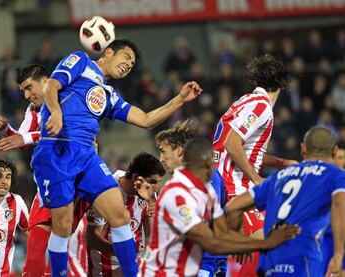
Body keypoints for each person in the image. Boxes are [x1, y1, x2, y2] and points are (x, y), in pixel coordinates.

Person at [31, 38, 202, 276]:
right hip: (57, 149)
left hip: (87, 156)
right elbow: (50, 85)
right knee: (62, 226)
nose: (128, 66)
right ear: (109, 52)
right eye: (126, 59)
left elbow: (145, 120)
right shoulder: (80, 61)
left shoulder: (110, 95)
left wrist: (180, 99)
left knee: (120, 216)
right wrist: (57, 113)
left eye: (132, 65)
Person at [139, 138, 300, 276]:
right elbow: (211, 241)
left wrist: (243, 241)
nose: (214, 169)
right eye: (209, 164)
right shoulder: (176, 195)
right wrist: (264, 243)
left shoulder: (209, 189)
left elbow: (222, 230)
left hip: (209, 265)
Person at [212, 54, 297, 275]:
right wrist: (257, 179)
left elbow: (247, 150)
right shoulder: (261, 107)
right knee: (270, 244)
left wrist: (281, 163)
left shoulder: (245, 101)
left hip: (225, 184)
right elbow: (232, 143)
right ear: (282, 84)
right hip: (234, 188)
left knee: (254, 250)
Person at [226, 126, 345, 276]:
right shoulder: (336, 175)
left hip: (270, 261)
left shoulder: (278, 177)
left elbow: (233, 207)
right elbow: (340, 203)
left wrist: (241, 241)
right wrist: (339, 253)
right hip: (303, 257)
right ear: (334, 151)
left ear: (303, 149)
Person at [0, 64, 52, 276]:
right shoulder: (33, 110)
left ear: (45, 81)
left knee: (75, 243)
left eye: (29, 88)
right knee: (35, 246)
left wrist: (24, 137)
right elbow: (22, 140)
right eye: (23, 91)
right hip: (48, 187)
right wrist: (6, 130)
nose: (26, 95)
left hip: (75, 181)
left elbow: (57, 133)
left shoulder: (66, 101)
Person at [155, 120, 227, 276]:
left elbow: (211, 224)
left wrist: (206, 268)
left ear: (179, 151)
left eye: (163, 151)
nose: (161, 159)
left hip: (205, 266)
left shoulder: (206, 175)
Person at [79, 152, 165, 276]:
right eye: (152, 181)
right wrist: (125, 251)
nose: (156, 188)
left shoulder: (148, 192)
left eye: (157, 182)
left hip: (134, 265)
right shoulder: (105, 191)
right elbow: (92, 238)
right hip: (104, 268)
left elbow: (150, 238)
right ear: (136, 178)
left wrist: (145, 260)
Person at [322, 142, 345, 275]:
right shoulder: (324, 178)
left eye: (342, 157)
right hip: (328, 234)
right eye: (336, 156)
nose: (338, 161)